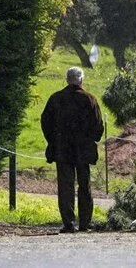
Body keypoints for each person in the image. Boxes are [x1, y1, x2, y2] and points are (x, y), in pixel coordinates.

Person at [41, 66, 104, 233]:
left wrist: (52, 140)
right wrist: (92, 139)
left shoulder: (55, 99)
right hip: (83, 150)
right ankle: (84, 223)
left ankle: (68, 223)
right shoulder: (89, 99)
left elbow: (45, 122)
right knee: (84, 185)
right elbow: (98, 125)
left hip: (62, 149)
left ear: (67, 80)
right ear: (81, 80)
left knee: (65, 185)